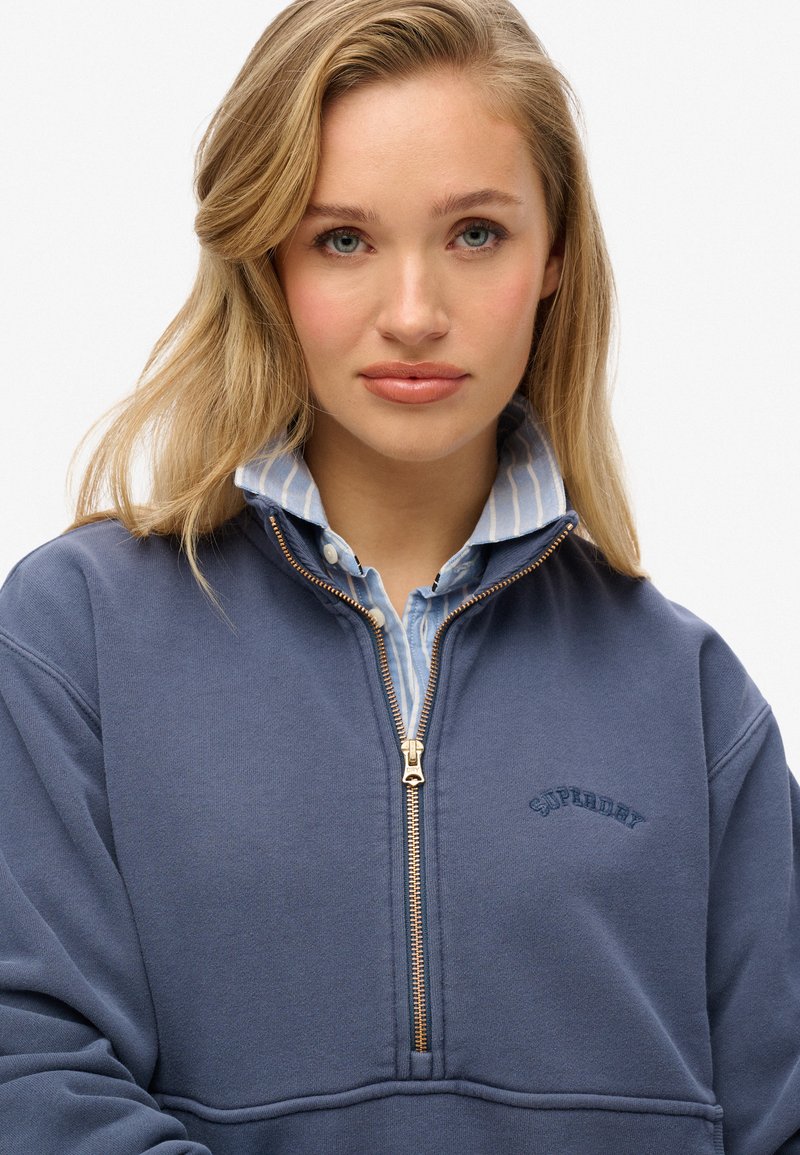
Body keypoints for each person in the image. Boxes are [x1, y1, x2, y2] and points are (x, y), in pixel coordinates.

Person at [0, 0, 797, 1151]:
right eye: (342, 240)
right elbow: (28, 1073)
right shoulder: (73, 636)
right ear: (265, 259)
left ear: (553, 255)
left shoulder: (693, 696)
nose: (414, 315)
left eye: (474, 233)